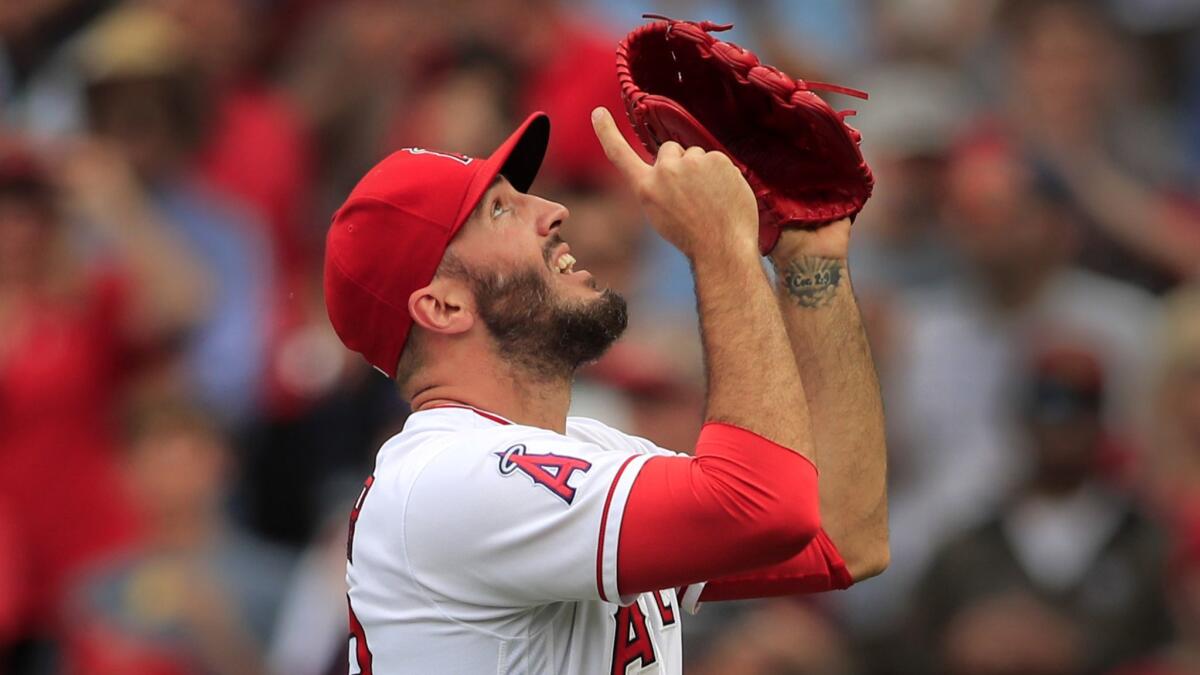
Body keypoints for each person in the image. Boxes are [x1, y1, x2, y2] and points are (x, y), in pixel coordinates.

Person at [323, 107, 889, 673]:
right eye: (499, 209)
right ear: (443, 306)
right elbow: (765, 509)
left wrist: (809, 257)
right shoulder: (443, 478)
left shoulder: (595, 449)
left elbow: (841, 537)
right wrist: (720, 242)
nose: (552, 210)